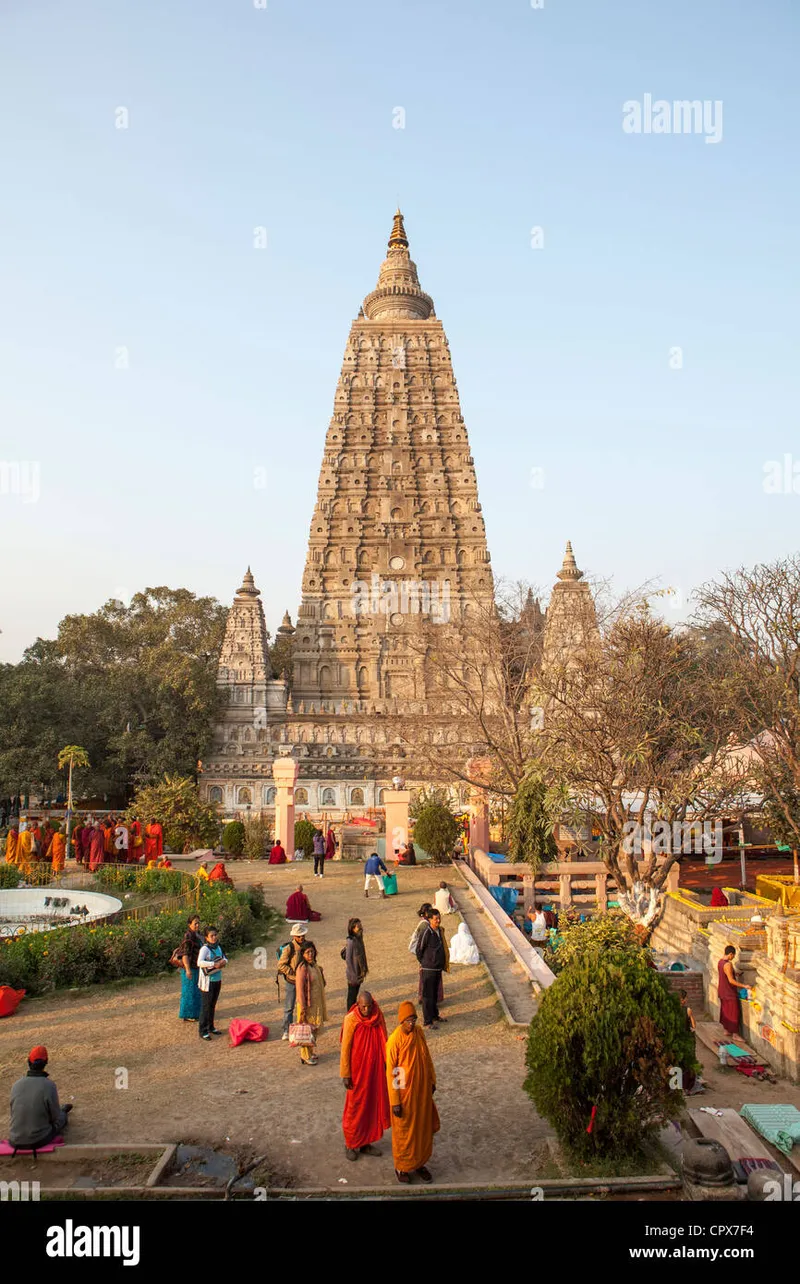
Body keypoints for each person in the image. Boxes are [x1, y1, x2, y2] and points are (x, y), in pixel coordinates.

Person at [385, 1001, 439, 1184]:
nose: (412, 1023)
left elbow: (427, 1056)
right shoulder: (394, 1041)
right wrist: (395, 1101)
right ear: (401, 1021)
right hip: (404, 1095)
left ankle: (420, 1163)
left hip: (421, 1092)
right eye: (408, 1020)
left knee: (422, 1130)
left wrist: (432, 1080)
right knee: (404, 1132)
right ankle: (402, 1167)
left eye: (414, 1019)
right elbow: (392, 1071)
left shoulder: (419, 1033)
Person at [340, 989, 390, 1162]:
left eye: (369, 1007)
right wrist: (346, 1074)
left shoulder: (378, 1015)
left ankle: (366, 1142)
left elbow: (385, 1038)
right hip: (357, 1071)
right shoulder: (351, 1019)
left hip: (374, 1070)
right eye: (363, 1007)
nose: (367, 1011)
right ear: (358, 1005)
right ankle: (351, 1143)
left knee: (371, 1105)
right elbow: (345, 1048)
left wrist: (386, 1063)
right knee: (355, 1106)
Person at [9, 1046, 72, 1152]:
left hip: (14, 1139)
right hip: (38, 1139)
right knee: (61, 1117)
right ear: (46, 1062)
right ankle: (64, 1111)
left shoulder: (16, 1085)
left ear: (28, 1062)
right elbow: (54, 1117)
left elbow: (13, 1112)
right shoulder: (49, 1085)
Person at [415, 909, 449, 1029]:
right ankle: (427, 1021)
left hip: (437, 969)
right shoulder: (426, 932)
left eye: (439, 918)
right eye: (436, 919)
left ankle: (435, 1015)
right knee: (427, 996)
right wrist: (425, 963)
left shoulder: (439, 931)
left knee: (435, 994)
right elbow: (419, 950)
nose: (438, 921)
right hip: (428, 969)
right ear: (429, 920)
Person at [295, 940, 327, 1065]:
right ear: (302, 954)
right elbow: (300, 990)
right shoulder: (302, 968)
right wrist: (303, 1008)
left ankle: (310, 1051)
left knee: (313, 1028)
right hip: (307, 1006)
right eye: (307, 952)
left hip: (316, 1004)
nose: (310, 955)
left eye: (312, 952)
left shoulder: (314, 966)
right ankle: (305, 1055)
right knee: (305, 1030)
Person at [278, 923, 308, 1040]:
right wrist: (292, 972)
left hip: (304, 981)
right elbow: (281, 965)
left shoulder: (307, 946)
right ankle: (287, 1030)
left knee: (304, 1006)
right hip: (292, 982)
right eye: (299, 936)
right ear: (294, 936)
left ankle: (303, 1027)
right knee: (289, 1007)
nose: (302, 938)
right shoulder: (289, 948)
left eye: (303, 935)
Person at [197, 926, 228, 1040]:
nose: (214, 937)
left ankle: (211, 1026)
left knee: (212, 1005)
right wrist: (213, 964)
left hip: (217, 980)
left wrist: (224, 961)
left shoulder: (218, 947)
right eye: (211, 936)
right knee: (206, 1006)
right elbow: (199, 962)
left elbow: (225, 957)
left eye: (215, 935)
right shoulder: (205, 949)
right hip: (207, 982)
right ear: (206, 937)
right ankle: (203, 1030)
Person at [179, 914, 204, 1022]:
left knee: (196, 991)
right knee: (189, 992)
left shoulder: (197, 934)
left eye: (198, 922)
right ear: (190, 924)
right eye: (195, 923)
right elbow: (185, 954)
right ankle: (188, 1014)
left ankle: (195, 1013)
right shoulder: (189, 936)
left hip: (197, 967)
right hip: (190, 967)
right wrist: (188, 969)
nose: (197, 925)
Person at [718, 945, 748, 1035]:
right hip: (729, 992)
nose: (733, 958)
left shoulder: (720, 962)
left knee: (725, 1012)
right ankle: (735, 1034)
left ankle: (726, 1030)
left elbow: (726, 975)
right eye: (733, 956)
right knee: (733, 1013)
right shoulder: (728, 964)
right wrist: (744, 986)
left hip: (722, 991)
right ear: (730, 954)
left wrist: (735, 974)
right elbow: (731, 980)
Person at [344, 918, 368, 1011]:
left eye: (360, 925)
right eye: (358, 926)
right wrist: (353, 975)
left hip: (358, 973)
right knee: (351, 996)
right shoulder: (351, 941)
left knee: (355, 994)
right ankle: (350, 1013)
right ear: (352, 928)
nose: (360, 927)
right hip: (353, 975)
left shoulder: (359, 938)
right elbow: (348, 959)